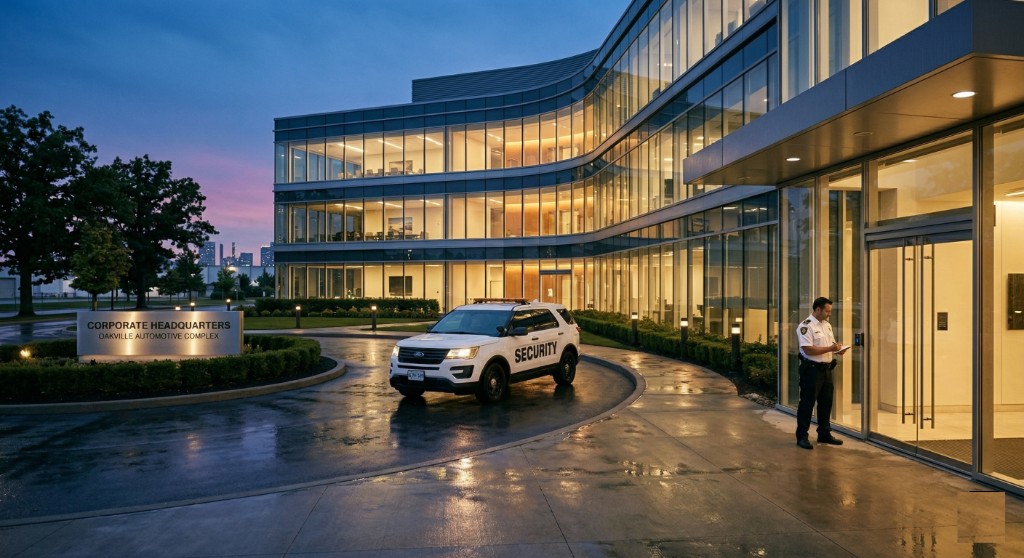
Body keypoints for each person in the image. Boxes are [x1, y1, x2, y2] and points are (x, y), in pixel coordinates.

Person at [795, 296, 849, 450]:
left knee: (826, 404)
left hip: (826, 369)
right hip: (811, 370)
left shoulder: (827, 325)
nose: (829, 314)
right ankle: (802, 436)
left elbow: (829, 345)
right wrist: (830, 349)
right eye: (827, 311)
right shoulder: (806, 326)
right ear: (817, 309)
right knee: (807, 404)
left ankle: (824, 434)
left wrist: (837, 350)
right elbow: (808, 349)